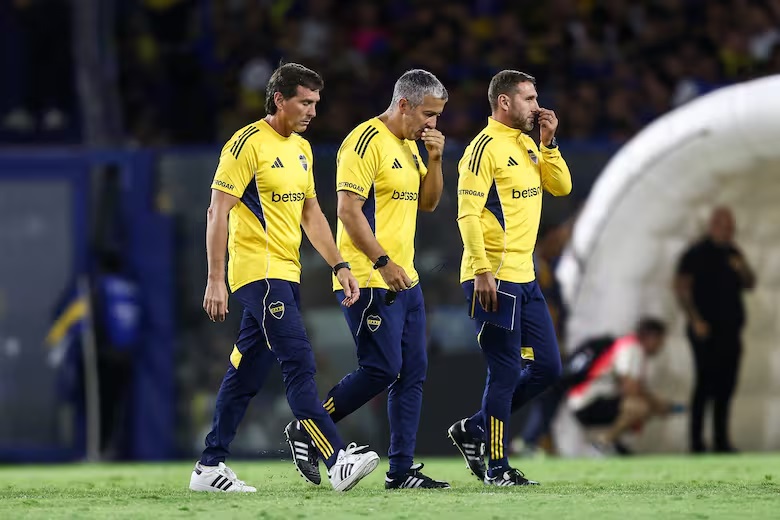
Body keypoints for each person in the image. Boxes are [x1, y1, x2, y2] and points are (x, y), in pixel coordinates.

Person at [188, 63, 379, 493]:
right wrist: (215, 278)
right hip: (259, 273)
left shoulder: (302, 149)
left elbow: (311, 214)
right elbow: (217, 211)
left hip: (285, 273)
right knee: (299, 364)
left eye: (316, 103)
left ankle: (209, 466)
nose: (312, 111)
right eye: (304, 102)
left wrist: (339, 264)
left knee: (245, 374)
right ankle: (336, 460)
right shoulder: (246, 144)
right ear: (280, 99)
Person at [285, 69, 450, 490]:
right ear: (404, 105)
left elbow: (429, 204)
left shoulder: (413, 147)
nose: (432, 123)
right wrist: (382, 262)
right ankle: (309, 426)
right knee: (382, 369)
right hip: (368, 277)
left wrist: (435, 159)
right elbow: (347, 210)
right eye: (428, 114)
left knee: (412, 373)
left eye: (437, 116)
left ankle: (401, 471)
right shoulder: (364, 142)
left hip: (405, 280)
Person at [447, 70, 572, 486]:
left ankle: (474, 429)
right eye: (530, 99)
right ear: (505, 102)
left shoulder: (528, 145)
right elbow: (466, 213)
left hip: (526, 276)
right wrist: (482, 270)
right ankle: (498, 468)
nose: (538, 107)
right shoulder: (482, 149)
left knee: (548, 369)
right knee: (503, 372)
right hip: (494, 276)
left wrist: (549, 145)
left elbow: (562, 187)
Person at [674, 207, 756, 453]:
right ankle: (696, 443)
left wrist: (741, 267)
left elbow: (750, 283)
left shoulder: (734, 252)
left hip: (730, 332)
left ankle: (721, 441)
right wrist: (694, 319)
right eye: (725, 226)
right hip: (705, 330)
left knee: (726, 386)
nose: (729, 230)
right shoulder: (696, 252)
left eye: (731, 227)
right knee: (704, 384)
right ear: (713, 226)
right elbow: (681, 288)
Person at [567, 318, 678, 455]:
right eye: (660, 341)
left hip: (586, 402)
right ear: (651, 337)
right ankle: (603, 444)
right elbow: (630, 388)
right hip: (587, 403)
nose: (661, 346)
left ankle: (612, 445)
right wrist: (657, 404)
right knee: (640, 407)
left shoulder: (628, 345)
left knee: (640, 406)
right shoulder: (632, 348)